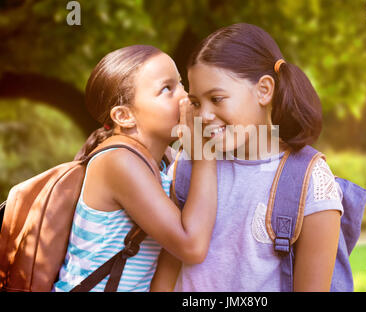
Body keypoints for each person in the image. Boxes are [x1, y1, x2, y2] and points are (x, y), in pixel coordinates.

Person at [151, 23, 343, 292]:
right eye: (196, 103)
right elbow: (168, 271)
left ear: (264, 90)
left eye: (216, 99)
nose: (204, 115)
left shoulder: (310, 180)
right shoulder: (187, 167)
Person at [53, 45, 217, 292]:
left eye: (181, 84)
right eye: (167, 89)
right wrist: (204, 155)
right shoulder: (119, 161)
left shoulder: (164, 161)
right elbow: (191, 247)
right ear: (124, 116)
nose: (185, 96)